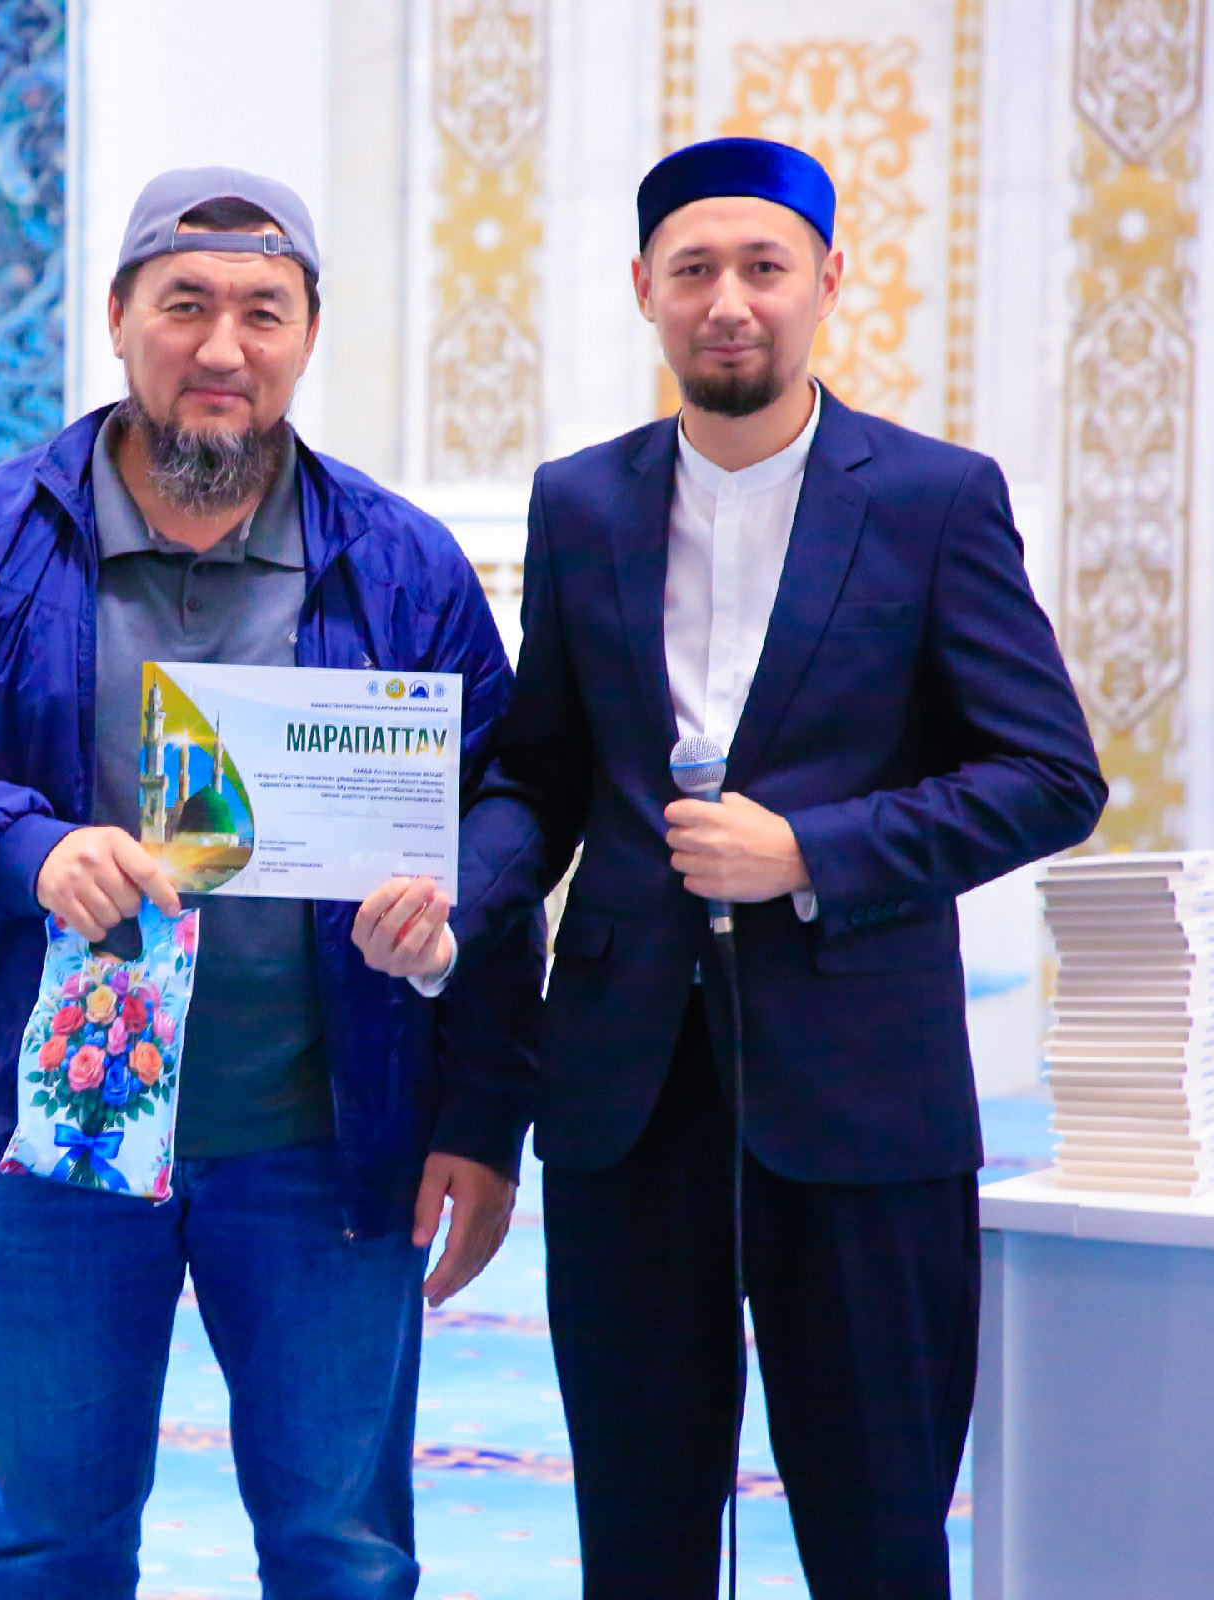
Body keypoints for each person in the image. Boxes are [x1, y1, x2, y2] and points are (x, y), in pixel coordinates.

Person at [0, 166, 538, 1598]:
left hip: (326, 1145)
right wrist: (31, 850)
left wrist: (477, 1096)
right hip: (56, 1141)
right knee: (51, 1547)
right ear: (117, 317)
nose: (224, 347)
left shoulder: (397, 560)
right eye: (186, 305)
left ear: (308, 336)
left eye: (263, 312)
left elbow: (507, 802)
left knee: (343, 1552)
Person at [449, 137, 1107, 1596]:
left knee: (877, 1536)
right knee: (639, 1535)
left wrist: (810, 850)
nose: (729, 301)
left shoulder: (934, 498)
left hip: (862, 1092)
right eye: (694, 270)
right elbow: (541, 776)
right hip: (627, 1096)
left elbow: (1051, 776)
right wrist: (456, 896)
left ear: (828, 280)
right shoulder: (580, 503)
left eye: (764, 267)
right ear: (645, 290)